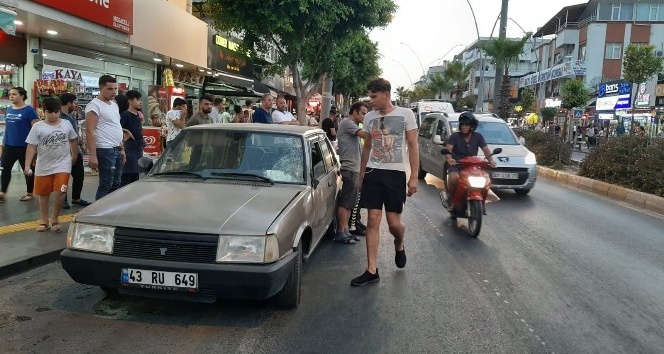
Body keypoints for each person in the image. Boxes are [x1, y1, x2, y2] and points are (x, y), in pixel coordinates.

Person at [351, 78, 419, 287]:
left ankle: (399, 243)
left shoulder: (406, 114)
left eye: (373, 96)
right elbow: (367, 147)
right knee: (372, 220)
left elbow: (413, 145)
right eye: (370, 96)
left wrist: (414, 177)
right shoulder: (369, 118)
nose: (370, 101)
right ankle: (372, 270)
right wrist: (362, 175)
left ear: (386, 95)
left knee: (394, 224)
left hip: (395, 174)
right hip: (373, 172)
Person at [24, 98, 78, 232]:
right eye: (50, 112)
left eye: (56, 112)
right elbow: (31, 146)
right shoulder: (38, 127)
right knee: (43, 193)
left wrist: (75, 155)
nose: (53, 115)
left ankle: (54, 219)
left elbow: (73, 139)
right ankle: (44, 220)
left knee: (61, 191)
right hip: (43, 164)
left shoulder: (66, 124)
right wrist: (27, 165)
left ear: (60, 111)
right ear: (44, 112)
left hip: (63, 163)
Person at [444, 112, 497, 211]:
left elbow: (486, 150)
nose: (464, 127)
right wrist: (449, 159)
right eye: (462, 124)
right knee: (453, 178)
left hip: (473, 166)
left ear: (472, 126)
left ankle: (482, 201)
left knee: (486, 178)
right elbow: (448, 150)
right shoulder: (454, 136)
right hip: (457, 164)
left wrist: (491, 160)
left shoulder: (478, 136)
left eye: (466, 124)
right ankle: (452, 199)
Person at [334, 101, 370, 244]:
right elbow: (366, 136)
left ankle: (346, 230)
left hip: (354, 168)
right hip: (349, 168)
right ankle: (341, 232)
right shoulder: (347, 123)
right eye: (363, 113)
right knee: (346, 202)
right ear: (354, 112)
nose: (364, 116)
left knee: (351, 202)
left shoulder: (351, 125)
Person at [85, 75, 126, 200]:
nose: (113, 92)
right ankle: (98, 213)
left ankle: (110, 210)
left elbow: (116, 126)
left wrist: (122, 149)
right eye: (109, 89)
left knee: (116, 183)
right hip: (104, 149)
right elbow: (89, 131)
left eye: (115, 89)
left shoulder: (114, 104)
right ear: (101, 88)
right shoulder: (94, 105)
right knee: (106, 184)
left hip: (117, 149)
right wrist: (92, 155)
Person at [0, 87, 39, 203]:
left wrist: (35, 147)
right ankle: (3, 192)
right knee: (5, 169)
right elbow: (8, 128)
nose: (11, 96)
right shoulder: (9, 109)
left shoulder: (29, 110)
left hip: (24, 146)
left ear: (22, 96)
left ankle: (29, 193)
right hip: (9, 145)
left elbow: (36, 128)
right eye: (10, 94)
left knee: (27, 170)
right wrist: (3, 143)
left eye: (14, 94)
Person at [59, 93, 91, 209]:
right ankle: (62, 200)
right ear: (69, 103)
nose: (75, 104)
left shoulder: (71, 116)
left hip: (76, 150)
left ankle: (76, 198)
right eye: (74, 102)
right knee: (63, 177)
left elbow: (75, 133)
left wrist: (81, 144)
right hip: (64, 152)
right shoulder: (58, 117)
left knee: (79, 175)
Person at [120, 90, 145, 186]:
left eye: (141, 100)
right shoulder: (125, 115)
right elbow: (118, 127)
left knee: (136, 175)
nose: (140, 102)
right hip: (129, 149)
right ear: (130, 101)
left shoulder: (138, 115)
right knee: (127, 175)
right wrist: (126, 132)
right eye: (138, 100)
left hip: (138, 148)